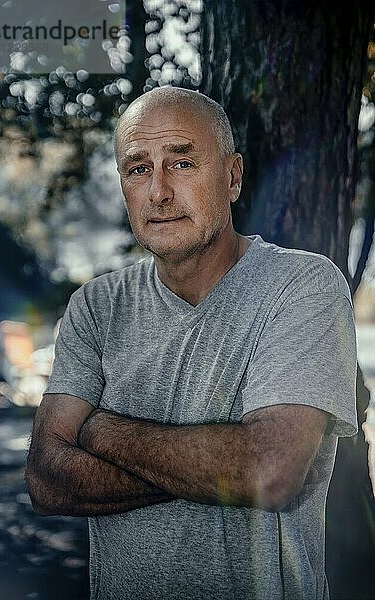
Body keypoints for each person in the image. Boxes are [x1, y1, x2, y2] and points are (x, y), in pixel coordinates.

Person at [26, 87, 357, 600]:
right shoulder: (96, 306)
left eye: (181, 162)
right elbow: (48, 480)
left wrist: (97, 431)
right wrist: (220, 464)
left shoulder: (301, 286)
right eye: (137, 169)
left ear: (232, 177)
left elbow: (268, 473)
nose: (157, 192)